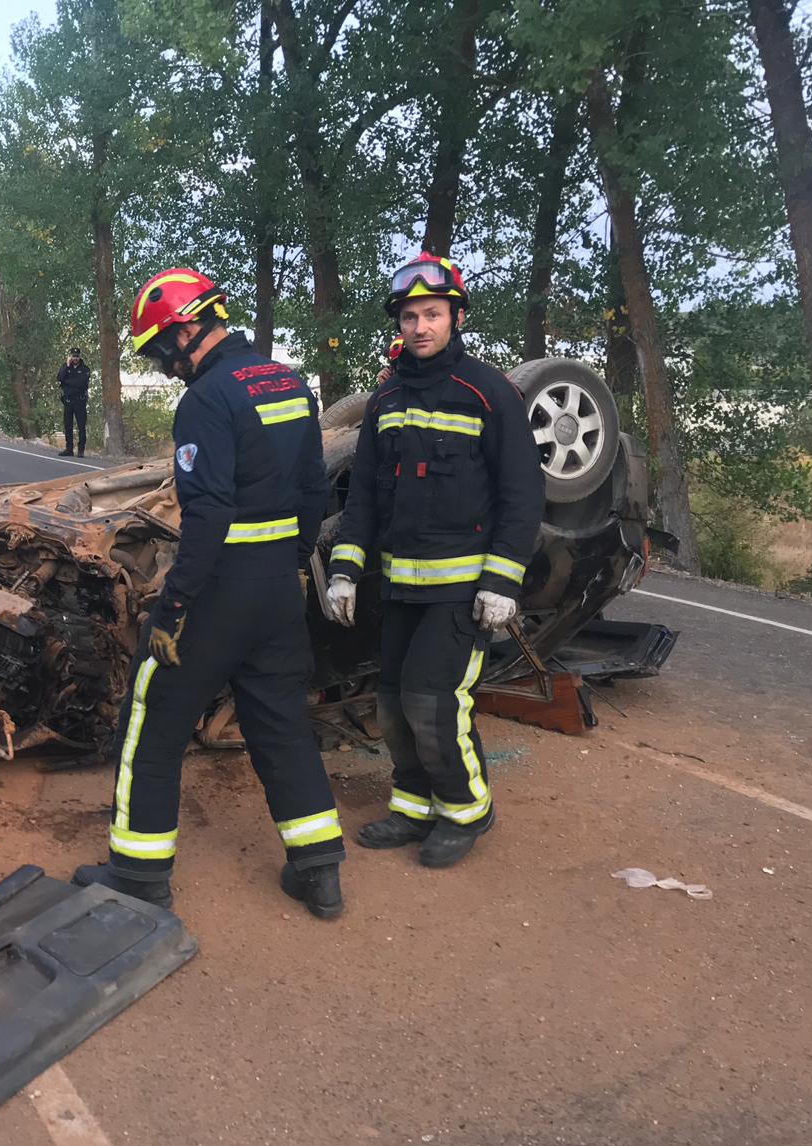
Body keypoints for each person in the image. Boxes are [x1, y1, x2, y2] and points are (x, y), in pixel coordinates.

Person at [71, 269, 346, 919]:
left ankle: (138, 874)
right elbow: (314, 490)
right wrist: (291, 564)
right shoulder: (286, 382)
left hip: (220, 590)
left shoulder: (207, 399)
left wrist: (173, 606)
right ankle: (318, 868)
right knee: (280, 721)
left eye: (163, 351)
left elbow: (209, 516)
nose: (166, 368)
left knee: (151, 717)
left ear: (188, 328)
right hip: (281, 585)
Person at [325, 254, 543, 867]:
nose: (420, 326)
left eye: (433, 314)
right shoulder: (387, 396)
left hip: (462, 590)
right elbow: (362, 492)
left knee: (432, 700)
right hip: (400, 587)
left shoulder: (488, 392)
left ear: (457, 317)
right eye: (411, 316)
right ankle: (414, 805)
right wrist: (345, 569)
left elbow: (521, 495)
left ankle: (466, 809)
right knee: (392, 702)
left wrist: (503, 579)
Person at [56, 346, 90, 457]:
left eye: (77, 356)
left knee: (81, 426)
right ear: (70, 357)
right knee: (68, 426)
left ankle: (81, 450)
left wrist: (68, 382)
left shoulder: (85, 369)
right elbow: (60, 378)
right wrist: (67, 366)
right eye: (73, 356)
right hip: (68, 400)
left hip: (80, 401)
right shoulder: (66, 367)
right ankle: (69, 449)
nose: (75, 358)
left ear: (80, 357)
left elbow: (80, 383)